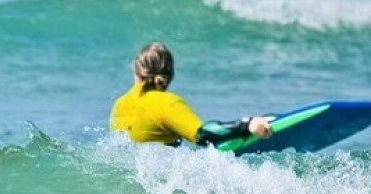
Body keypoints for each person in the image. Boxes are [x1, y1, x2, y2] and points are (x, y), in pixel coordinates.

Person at [110, 42, 272, 147]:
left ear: (136, 70)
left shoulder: (119, 105)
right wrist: (246, 125)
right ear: (170, 74)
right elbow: (204, 134)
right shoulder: (166, 103)